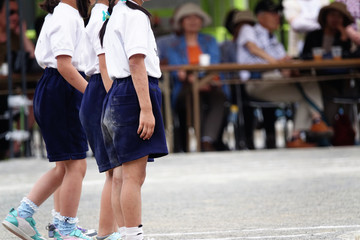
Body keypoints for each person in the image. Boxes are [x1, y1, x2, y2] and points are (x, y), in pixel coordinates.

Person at [2, 0, 92, 239]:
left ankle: (48, 222)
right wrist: (92, 95)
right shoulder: (66, 15)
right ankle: (60, 226)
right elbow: (64, 65)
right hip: (63, 88)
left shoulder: (62, 13)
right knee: (76, 164)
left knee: (65, 165)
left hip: (56, 88)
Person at [100, 0, 168, 239]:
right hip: (133, 92)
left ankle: (127, 234)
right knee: (132, 176)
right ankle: (133, 235)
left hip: (120, 91)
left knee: (121, 176)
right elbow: (136, 62)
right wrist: (146, 108)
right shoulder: (134, 14)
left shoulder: (115, 13)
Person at [237, 0, 332, 148]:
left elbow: (284, 66)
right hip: (257, 82)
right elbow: (252, 48)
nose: (278, 17)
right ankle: (317, 122)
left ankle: (298, 135)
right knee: (308, 88)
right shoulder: (249, 29)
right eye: (273, 13)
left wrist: (289, 67)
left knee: (307, 91)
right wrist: (275, 62)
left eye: (278, 13)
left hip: (276, 80)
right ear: (260, 16)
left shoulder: (274, 39)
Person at [79, 0, 124, 239]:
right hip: (102, 89)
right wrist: (115, 99)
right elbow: (104, 64)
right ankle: (108, 232)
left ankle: (110, 230)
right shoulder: (101, 15)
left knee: (116, 170)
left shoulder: (104, 13)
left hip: (102, 89)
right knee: (114, 169)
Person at [162, 2, 227, 152]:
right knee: (193, 100)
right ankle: (199, 141)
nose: (193, 21)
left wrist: (202, 79)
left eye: (196, 17)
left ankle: (207, 140)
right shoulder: (173, 45)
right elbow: (177, 70)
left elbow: (215, 63)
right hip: (186, 87)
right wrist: (194, 79)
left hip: (211, 83)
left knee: (220, 98)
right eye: (188, 18)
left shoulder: (210, 40)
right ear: (181, 22)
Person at [301, 2, 354, 128]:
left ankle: (340, 131)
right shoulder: (314, 35)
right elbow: (304, 56)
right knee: (317, 89)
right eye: (332, 15)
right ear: (326, 17)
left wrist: (343, 37)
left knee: (344, 92)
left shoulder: (345, 37)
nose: (335, 19)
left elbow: (349, 57)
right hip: (319, 77)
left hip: (342, 78)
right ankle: (323, 129)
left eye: (339, 16)